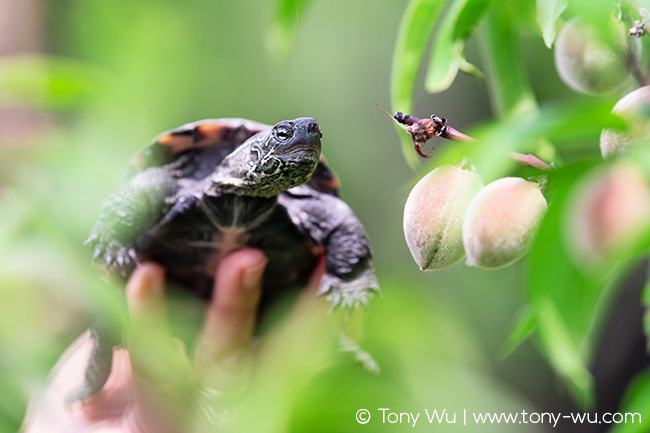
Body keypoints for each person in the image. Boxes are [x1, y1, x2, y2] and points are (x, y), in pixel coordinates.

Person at [23, 249, 325, 433]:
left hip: (269, 306)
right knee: (111, 322)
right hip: (164, 297)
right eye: (282, 136)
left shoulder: (301, 206)